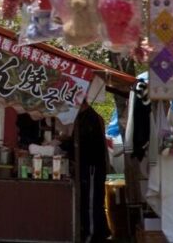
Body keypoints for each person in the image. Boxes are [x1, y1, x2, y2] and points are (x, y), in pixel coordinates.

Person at [73, 101, 111, 242]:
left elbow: (82, 143)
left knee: (91, 202)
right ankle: (102, 231)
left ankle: (92, 234)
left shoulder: (90, 118)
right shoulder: (86, 117)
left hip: (92, 167)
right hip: (89, 166)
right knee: (93, 201)